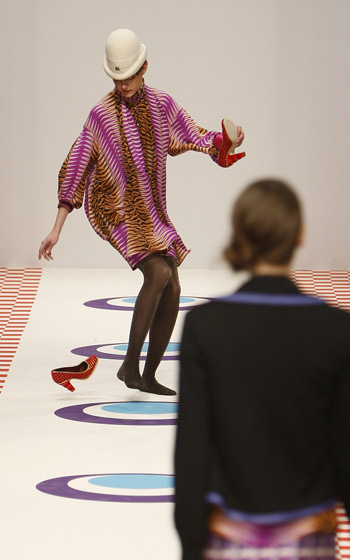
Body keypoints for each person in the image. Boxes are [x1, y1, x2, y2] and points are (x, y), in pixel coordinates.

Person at [38, 28, 245, 396]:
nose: (124, 83)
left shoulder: (162, 104)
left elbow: (192, 133)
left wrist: (221, 144)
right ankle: (131, 369)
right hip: (113, 207)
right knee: (158, 272)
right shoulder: (100, 114)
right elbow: (77, 165)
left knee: (173, 281)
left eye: (130, 75)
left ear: (145, 67)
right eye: (117, 77)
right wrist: (57, 226)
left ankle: (144, 374)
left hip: (150, 210)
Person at [175, 178, 350, 558]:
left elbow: (192, 452)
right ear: (299, 235)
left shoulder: (205, 326)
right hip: (310, 538)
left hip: (226, 537)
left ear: (239, 234)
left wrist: (191, 546)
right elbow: (344, 447)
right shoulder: (337, 331)